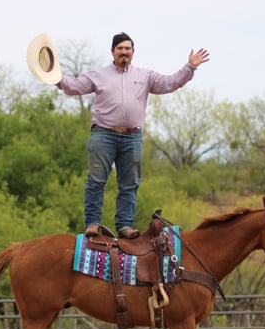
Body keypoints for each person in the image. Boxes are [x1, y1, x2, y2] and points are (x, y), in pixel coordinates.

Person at [56, 32, 210, 238]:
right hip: (104, 134)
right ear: (112, 52)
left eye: (127, 49)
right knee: (96, 180)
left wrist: (190, 67)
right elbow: (74, 86)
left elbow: (170, 83)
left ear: (133, 52)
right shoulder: (98, 74)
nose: (124, 52)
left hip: (132, 137)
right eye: (120, 49)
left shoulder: (145, 76)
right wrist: (54, 76)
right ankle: (92, 223)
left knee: (130, 183)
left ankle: (125, 226)